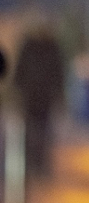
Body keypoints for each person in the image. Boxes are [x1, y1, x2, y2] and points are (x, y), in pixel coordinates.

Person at [13, 28, 65, 180]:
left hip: (45, 97)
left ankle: (40, 163)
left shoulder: (51, 47)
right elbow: (20, 71)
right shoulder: (29, 46)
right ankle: (31, 163)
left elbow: (58, 72)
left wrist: (58, 94)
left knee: (43, 130)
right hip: (31, 96)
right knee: (30, 130)